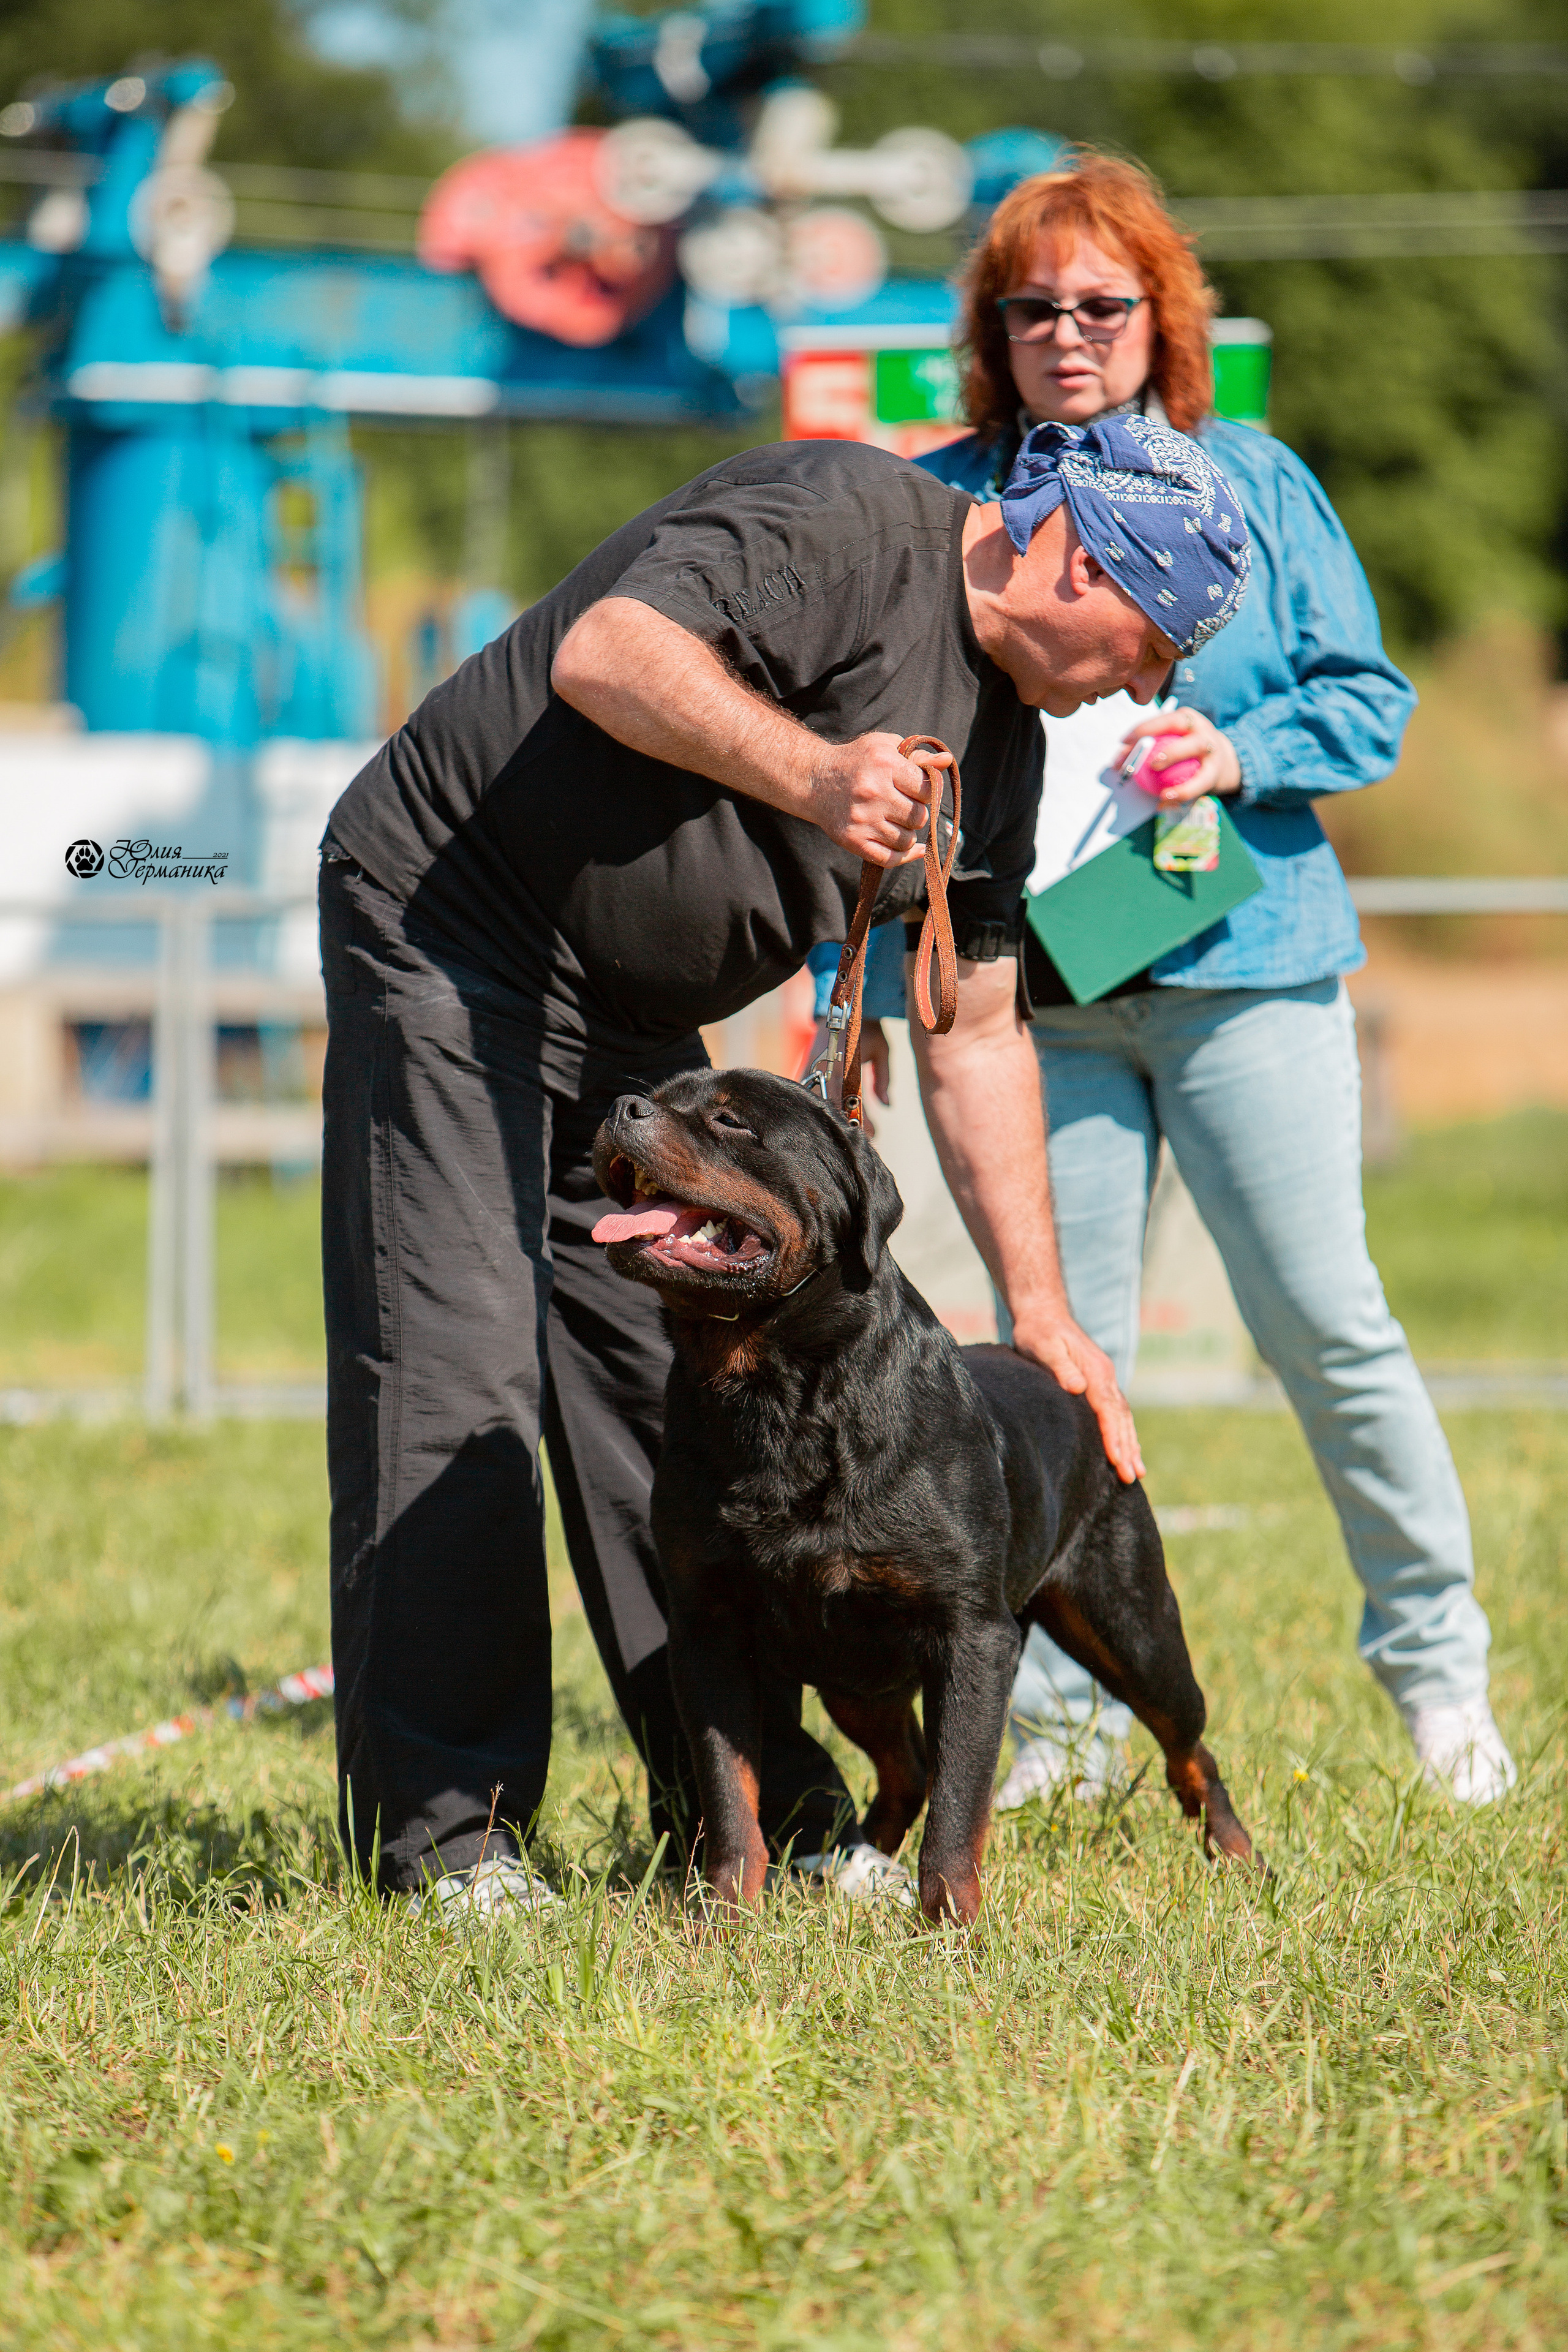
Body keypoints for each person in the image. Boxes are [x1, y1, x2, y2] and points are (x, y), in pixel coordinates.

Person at [317, 423, 1252, 1920]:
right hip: (453, 928)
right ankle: (450, 1844)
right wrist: (816, 773)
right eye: (1150, 643)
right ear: (1077, 557)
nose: (1143, 689)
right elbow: (608, 652)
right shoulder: (837, 516)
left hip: (633, 1024)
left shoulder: (998, 742)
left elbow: (979, 1027)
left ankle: (761, 1825)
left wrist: (1043, 1311)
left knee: (673, 1393)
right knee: (456, 1376)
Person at [910, 149, 1514, 1807]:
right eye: (1030, 308)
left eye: (1100, 303)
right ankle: (1065, 1724)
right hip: (1036, 1008)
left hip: (1245, 965)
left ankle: (1439, 1681)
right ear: (993, 332)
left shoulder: (1254, 475)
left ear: (1160, 315)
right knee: (1055, 1370)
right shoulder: (942, 489)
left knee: (1328, 1324)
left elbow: (1367, 701)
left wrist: (1234, 747)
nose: (1066, 333)